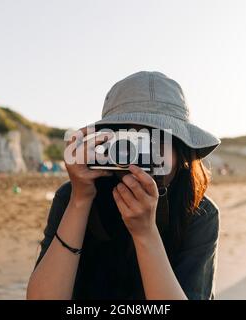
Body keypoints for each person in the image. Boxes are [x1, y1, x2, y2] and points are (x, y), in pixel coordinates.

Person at [27, 71, 221, 300]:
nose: (138, 156)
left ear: (181, 152)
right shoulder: (73, 195)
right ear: (104, 142)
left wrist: (145, 233)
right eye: (127, 142)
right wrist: (80, 201)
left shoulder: (198, 211)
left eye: (154, 141)